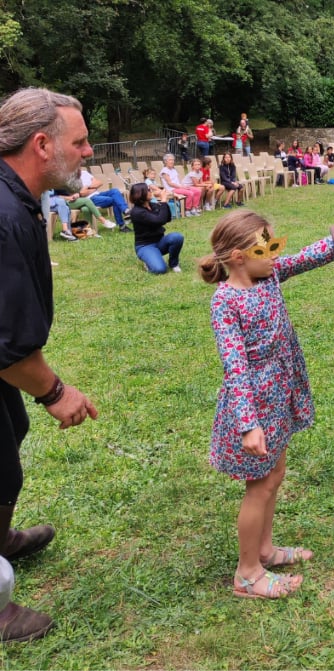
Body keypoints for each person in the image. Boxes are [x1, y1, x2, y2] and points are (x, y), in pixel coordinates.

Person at [196, 204, 334, 599]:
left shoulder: (269, 275)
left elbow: (315, 254)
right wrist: (248, 423)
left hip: (280, 393)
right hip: (254, 404)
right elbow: (234, 366)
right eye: (266, 247)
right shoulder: (225, 302)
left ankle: (265, 551)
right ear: (239, 257)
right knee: (258, 485)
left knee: (274, 476)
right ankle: (247, 574)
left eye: (275, 245)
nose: (275, 254)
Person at [0, 87, 99, 643]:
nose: (87, 152)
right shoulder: (3, 213)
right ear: (42, 144)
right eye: (79, 142)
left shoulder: (15, 197)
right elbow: (5, 343)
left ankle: (2, 541)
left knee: (8, 434)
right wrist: (55, 391)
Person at [128, 182, 184, 274]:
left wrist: (164, 203)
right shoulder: (137, 212)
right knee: (160, 269)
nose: (151, 191)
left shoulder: (152, 205)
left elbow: (167, 218)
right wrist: (163, 201)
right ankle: (149, 262)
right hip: (145, 246)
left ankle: (174, 264)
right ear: (141, 194)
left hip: (160, 241)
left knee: (177, 237)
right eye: (149, 190)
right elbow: (159, 221)